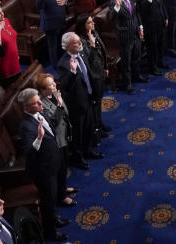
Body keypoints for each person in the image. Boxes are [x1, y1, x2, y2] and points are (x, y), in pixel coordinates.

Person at [16, 88, 70, 242]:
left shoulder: (41, 113)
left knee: (53, 200)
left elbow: (52, 126)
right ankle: (51, 234)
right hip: (44, 171)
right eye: (36, 102)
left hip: (54, 162)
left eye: (39, 100)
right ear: (26, 107)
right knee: (48, 204)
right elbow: (27, 151)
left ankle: (55, 220)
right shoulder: (25, 126)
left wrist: (59, 106)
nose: (41, 103)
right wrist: (38, 138)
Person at [57, 33, 102, 168]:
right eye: (77, 42)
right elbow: (65, 85)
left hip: (87, 98)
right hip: (76, 105)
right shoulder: (63, 64)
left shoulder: (81, 54)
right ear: (68, 46)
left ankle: (88, 150)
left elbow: (88, 74)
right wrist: (72, 71)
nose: (80, 43)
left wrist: (93, 94)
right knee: (78, 133)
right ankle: (78, 157)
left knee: (88, 127)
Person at [74, 14, 110, 137]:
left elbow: (102, 50)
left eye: (92, 22)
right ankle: (96, 127)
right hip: (92, 76)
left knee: (99, 100)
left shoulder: (93, 33)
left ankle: (100, 123)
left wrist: (105, 67)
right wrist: (92, 45)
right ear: (83, 26)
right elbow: (88, 60)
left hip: (99, 72)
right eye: (89, 23)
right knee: (94, 102)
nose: (93, 24)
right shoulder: (81, 41)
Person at [111, 0, 144, 93]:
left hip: (136, 33)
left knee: (137, 57)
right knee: (127, 62)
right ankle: (128, 84)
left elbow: (137, 13)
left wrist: (140, 27)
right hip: (125, 37)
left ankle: (137, 76)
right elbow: (112, 18)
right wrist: (117, 6)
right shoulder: (114, 2)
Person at [36, 0, 68, 66]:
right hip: (51, 23)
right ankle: (55, 67)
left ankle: (64, 61)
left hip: (61, 19)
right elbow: (39, 6)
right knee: (53, 47)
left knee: (61, 43)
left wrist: (65, 0)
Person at [138, 0, 169, 76]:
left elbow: (162, 4)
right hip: (150, 25)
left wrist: (165, 17)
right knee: (152, 47)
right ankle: (153, 67)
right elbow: (143, 9)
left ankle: (160, 62)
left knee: (161, 44)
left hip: (160, 21)